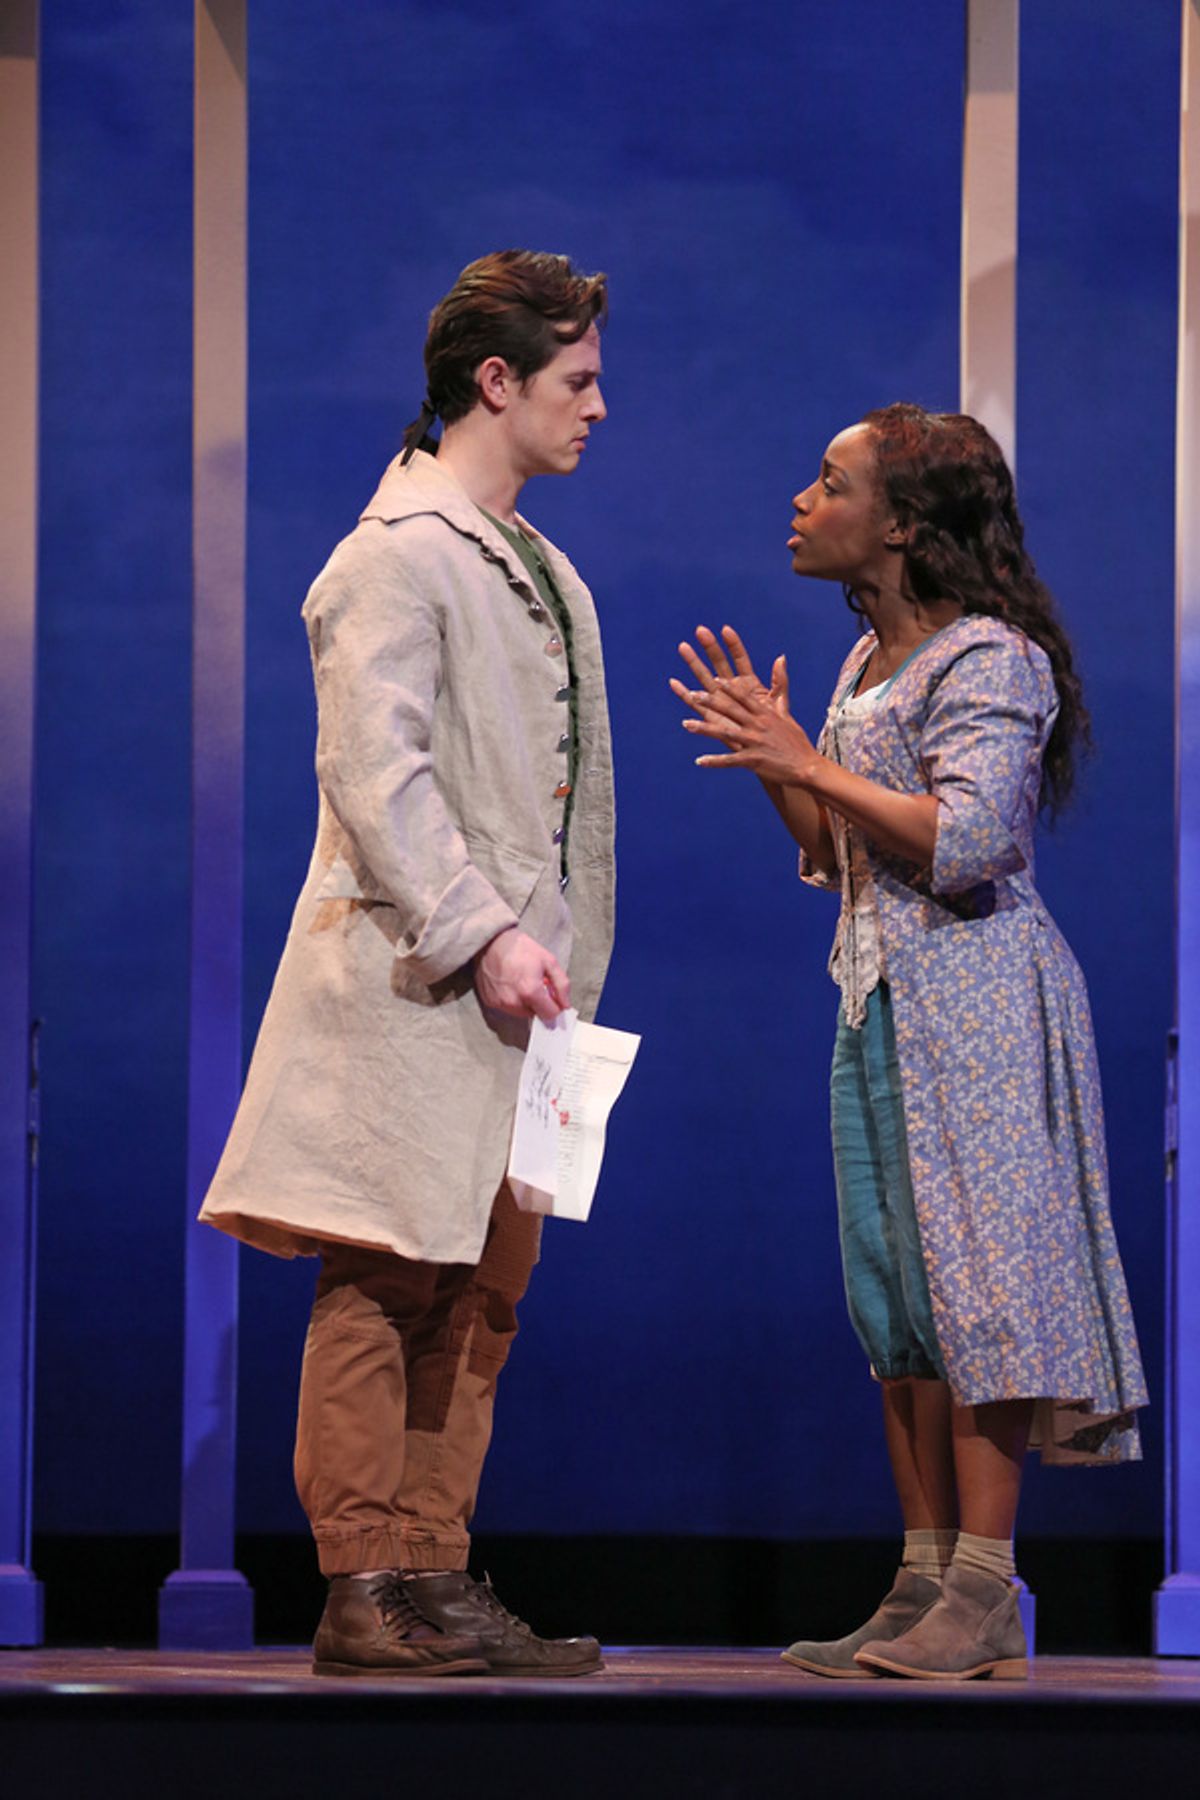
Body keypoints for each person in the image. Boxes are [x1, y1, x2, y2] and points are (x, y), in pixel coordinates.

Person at [671, 403, 1147, 1681]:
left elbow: (971, 839)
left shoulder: (989, 658)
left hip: (979, 1001)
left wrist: (810, 765)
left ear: (901, 523)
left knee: (979, 1287)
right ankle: (924, 1576)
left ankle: (986, 1589)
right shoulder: (862, 666)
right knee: (898, 1297)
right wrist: (780, 765)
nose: (803, 501)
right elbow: (841, 859)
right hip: (879, 993)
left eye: (831, 483)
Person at [200, 250, 614, 1677]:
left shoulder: (545, 569)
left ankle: (434, 1571)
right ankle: (363, 1578)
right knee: (386, 1277)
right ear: (497, 381)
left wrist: (560, 968)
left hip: (533, 1002)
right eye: (577, 379)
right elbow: (379, 774)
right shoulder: (390, 554)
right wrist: (482, 932)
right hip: (418, 979)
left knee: (486, 1293)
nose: (597, 408)